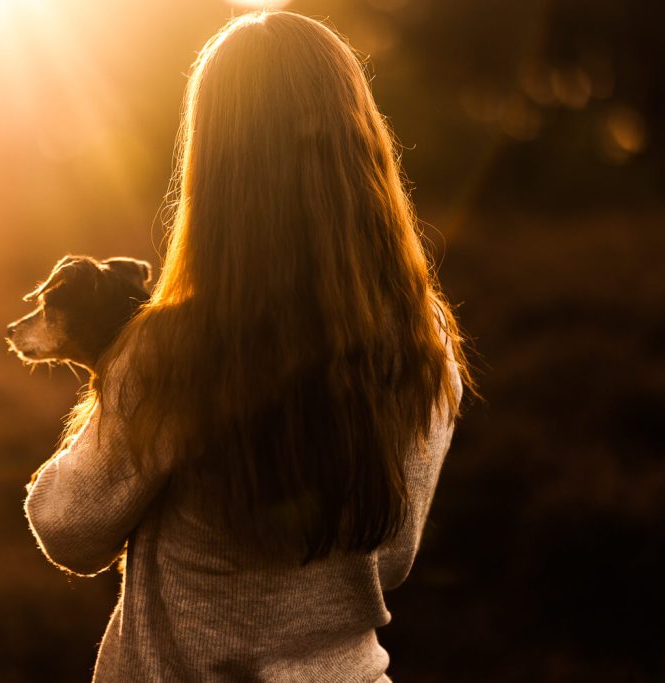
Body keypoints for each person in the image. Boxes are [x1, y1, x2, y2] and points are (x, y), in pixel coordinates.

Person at [24, 9, 475, 682]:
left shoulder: (175, 350)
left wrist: (112, 378)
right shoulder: (423, 338)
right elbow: (392, 556)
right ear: (360, 142)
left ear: (216, 164)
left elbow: (70, 528)